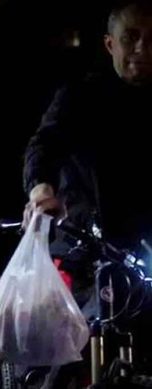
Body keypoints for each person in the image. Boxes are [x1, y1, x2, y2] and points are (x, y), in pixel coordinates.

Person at [23, 0, 152, 282]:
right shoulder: (80, 95)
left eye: (151, 39)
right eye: (130, 38)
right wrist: (41, 188)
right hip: (88, 253)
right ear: (110, 44)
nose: (142, 48)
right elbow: (43, 145)